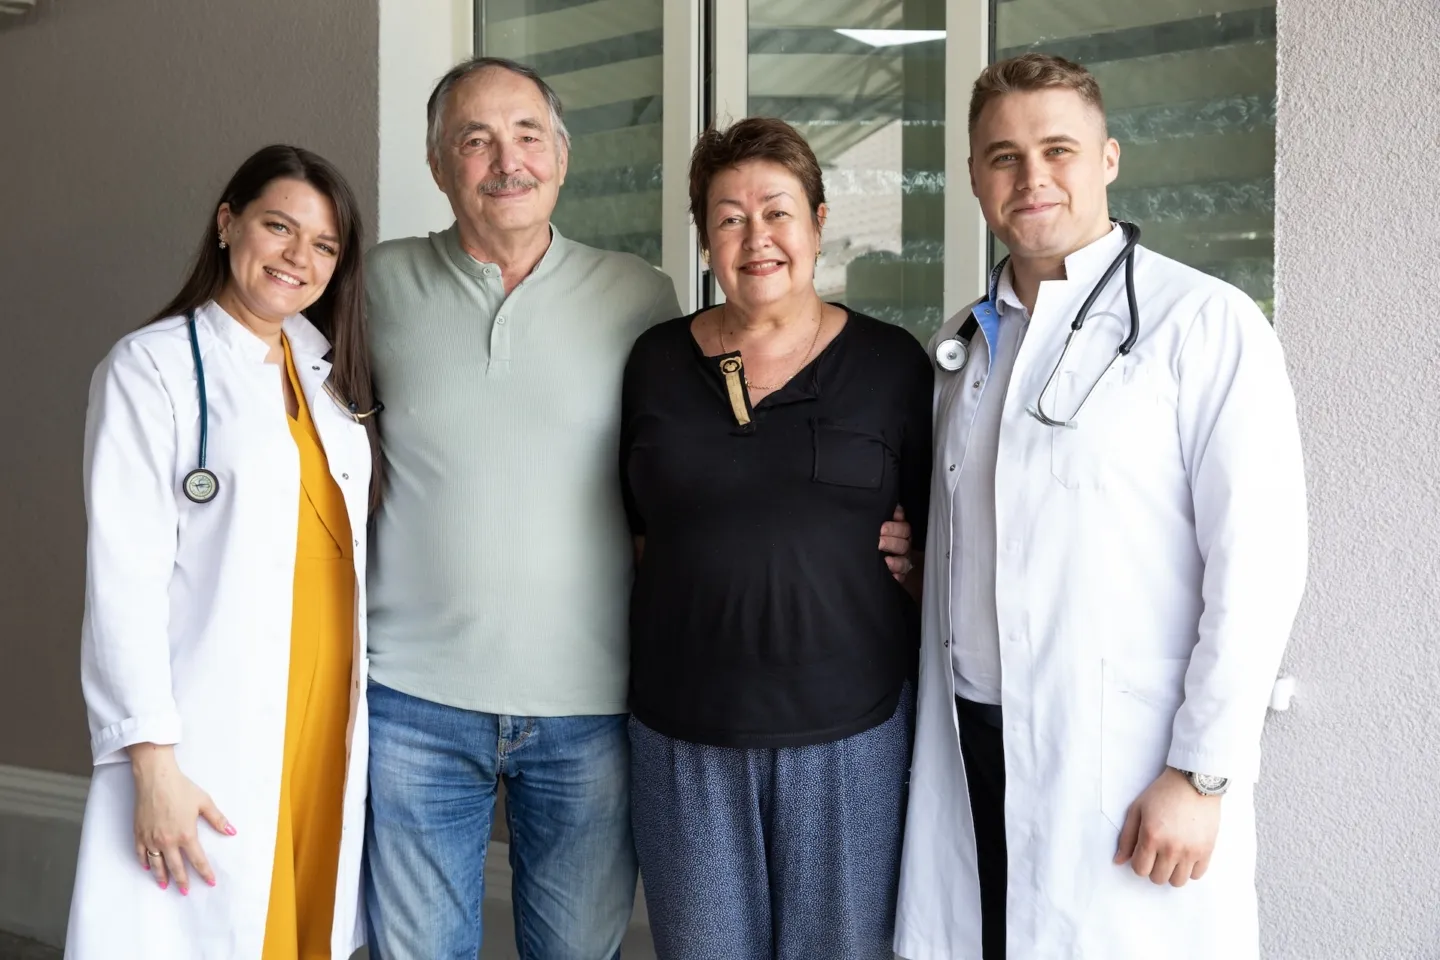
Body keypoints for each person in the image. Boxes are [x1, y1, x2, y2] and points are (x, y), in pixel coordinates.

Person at [361, 61, 914, 960]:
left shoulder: (653, 307)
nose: (508, 160)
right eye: (476, 139)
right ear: (437, 164)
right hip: (455, 702)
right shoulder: (377, 290)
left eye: (529, 134)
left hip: (642, 707)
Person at [893, 53, 1308, 960]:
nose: (1031, 177)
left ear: (1108, 159)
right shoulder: (968, 344)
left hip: (1124, 753)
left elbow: (1261, 566)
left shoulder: (1204, 322)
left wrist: (1200, 774)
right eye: (1002, 156)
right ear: (972, 177)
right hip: (974, 741)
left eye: (1058, 149)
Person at [619, 117, 932, 960]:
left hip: (849, 733)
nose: (756, 238)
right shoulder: (652, 363)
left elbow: (943, 537)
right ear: (704, 239)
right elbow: (636, 531)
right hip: (684, 734)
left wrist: (918, 569)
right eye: (729, 217)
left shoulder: (893, 365)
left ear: (820, 221)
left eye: (778, 212)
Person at [66, 144, 381, 960]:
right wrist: (153, 764)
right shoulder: (153, 367)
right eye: (279, 226)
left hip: (322, 718)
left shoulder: (327, 372)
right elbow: (122, 582)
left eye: (323, 245)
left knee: (304, 924)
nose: (296, 258)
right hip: (211, 722)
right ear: (227, 223)